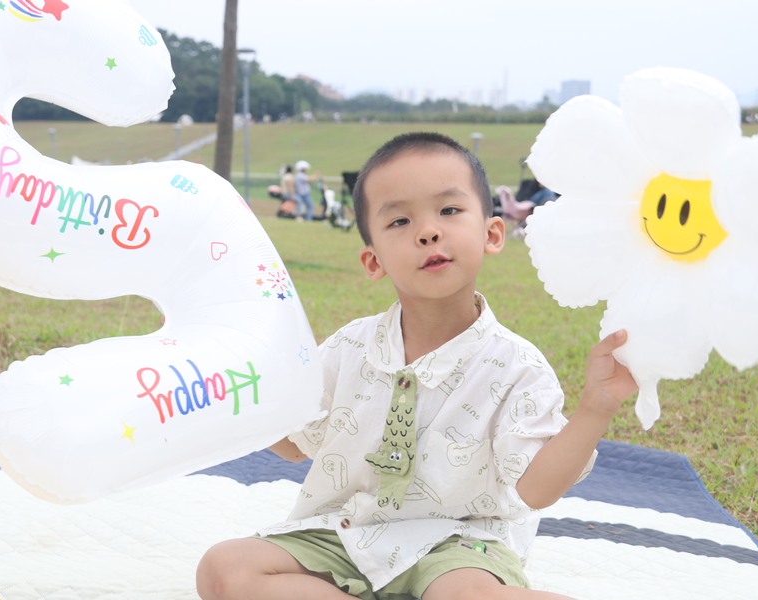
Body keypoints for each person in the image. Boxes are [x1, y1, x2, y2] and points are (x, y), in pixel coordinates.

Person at [196, 132, 637, 600]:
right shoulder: (349, 347)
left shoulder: (517, 366)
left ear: (491, 234)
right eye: (400, 220)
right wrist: (241, 387)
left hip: (460, 546)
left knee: (465, 596)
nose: (427, 232)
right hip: (345, 534)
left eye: (448, 210)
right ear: (373, 261)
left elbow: (536, 490)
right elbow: (293, 444)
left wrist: (596, 407)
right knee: (223, 569)